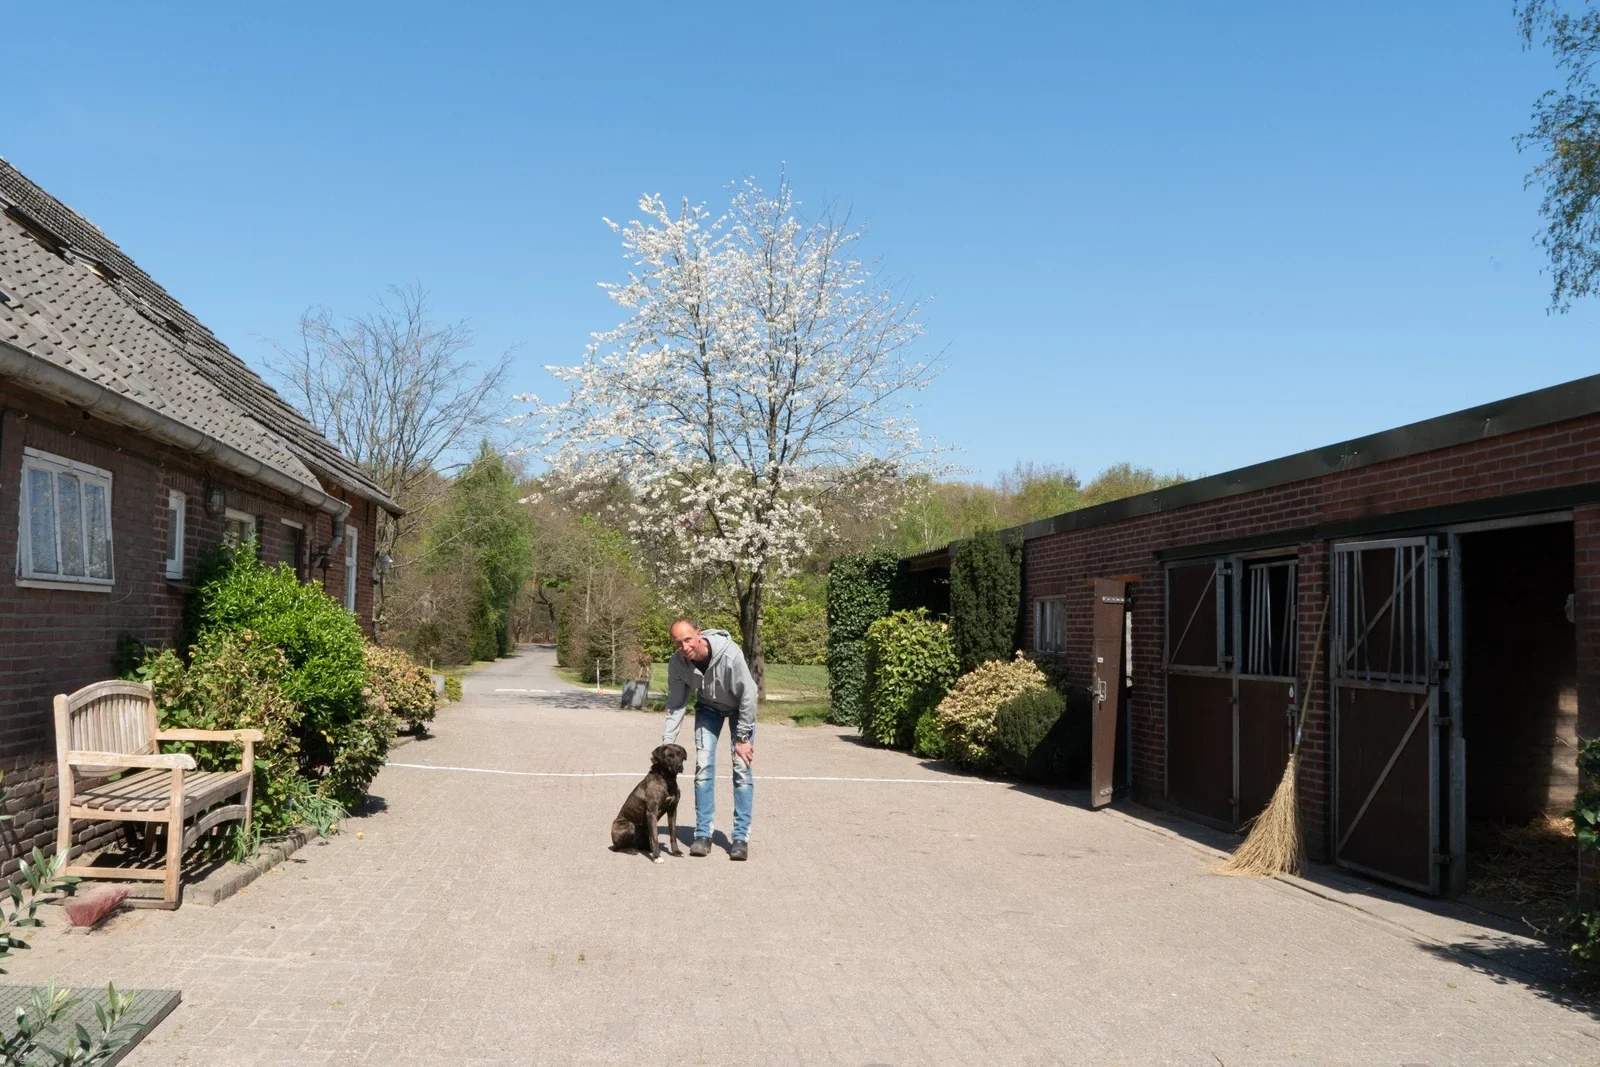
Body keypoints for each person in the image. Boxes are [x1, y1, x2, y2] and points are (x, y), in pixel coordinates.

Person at [661, 618, 756, 860]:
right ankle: (703, 834)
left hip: (739, 709)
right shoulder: (677, 664)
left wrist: (743, 738)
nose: (684, 647)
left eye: (688, 639)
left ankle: (740, 838)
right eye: (678, 643)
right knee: (703, 767)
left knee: (741, 768)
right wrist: (666, 742)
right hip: (708, 709)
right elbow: (675, 704)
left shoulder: (730, 655)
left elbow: (749, 694)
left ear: (699, 635)